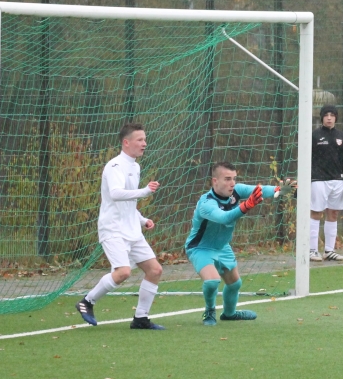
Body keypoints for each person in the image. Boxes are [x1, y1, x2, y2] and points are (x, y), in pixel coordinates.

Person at [76, 123, 164, 330]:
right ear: (126, 142)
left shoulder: (135, 166)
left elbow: (127, 203)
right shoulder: (114, 166)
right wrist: (145, 191)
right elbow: (115, 194)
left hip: (132, 229)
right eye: (140, 140)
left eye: (144, 139)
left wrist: (142, 220)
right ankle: (87, 302)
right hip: (113, 229)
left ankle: (141, 318)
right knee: (123, 272)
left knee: (155, 270)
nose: (144, 143)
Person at [185, 162, 289, 325]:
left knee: (234, 284)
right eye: (227, 179)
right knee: (212, 281)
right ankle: (209, 312)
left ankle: (229, 314)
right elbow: (224, 218)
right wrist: (246, 206)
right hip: (201, 247)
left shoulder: (237, 190)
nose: (232, 183)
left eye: (234, 178)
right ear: (215, 181)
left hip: (222, 246)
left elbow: (259, 190)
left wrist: (279, 190)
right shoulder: (206, 203)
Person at [310, 104, 343, 262]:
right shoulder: (314, 136)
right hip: (318, 180)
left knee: (333, 213)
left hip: (337, 181)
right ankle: (312, 250)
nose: (329, 118)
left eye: (332, 115)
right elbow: (306, 159)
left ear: (336, 118)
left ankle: (329, 250)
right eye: (326, 115)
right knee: (316, 212)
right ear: (322, 117)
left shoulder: (342, 137)